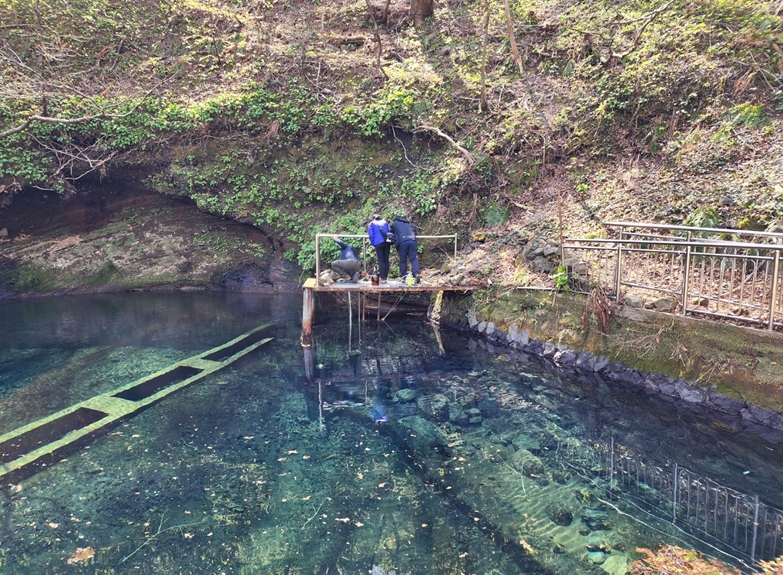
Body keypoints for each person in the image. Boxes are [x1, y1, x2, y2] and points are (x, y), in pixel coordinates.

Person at [390, 214, 420, 283]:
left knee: (403, 260)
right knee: (413, 259)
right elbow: (415, 232)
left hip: (402, 243)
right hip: (412, 241)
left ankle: (404, 275)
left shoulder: (395, 224)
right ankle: (416, 273)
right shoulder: (409, 224)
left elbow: (391, 233)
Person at [367, 214, 390, 283]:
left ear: (373, 218)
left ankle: (382, 278)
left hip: (378, 243)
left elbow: (371, 235)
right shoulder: (385, 222)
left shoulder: (371, 224)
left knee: (381, 260)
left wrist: (372, 244)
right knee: (386, 260)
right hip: (387, 242)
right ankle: (385, 277)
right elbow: (389, 231)